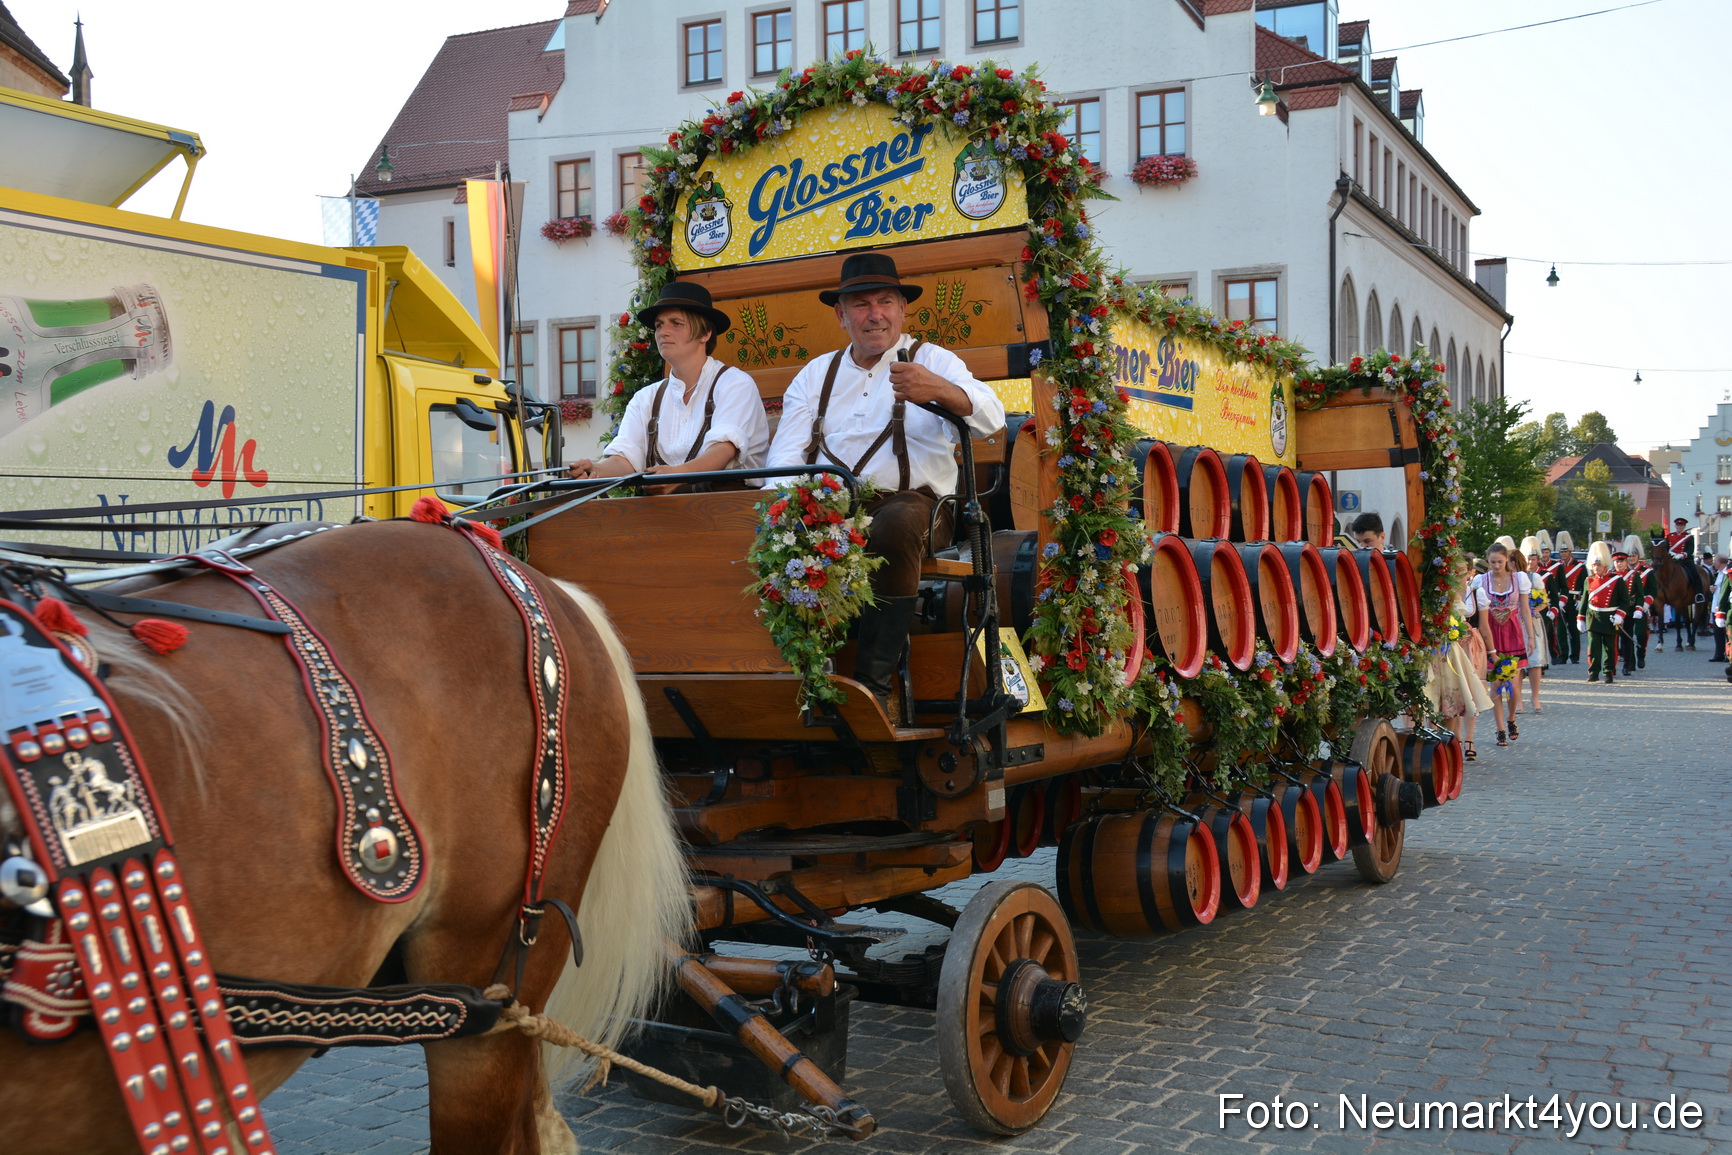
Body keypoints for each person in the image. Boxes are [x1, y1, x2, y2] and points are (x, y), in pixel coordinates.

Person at [765, 251, 1006, 713]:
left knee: (894, 524)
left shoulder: (932, 359)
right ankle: (801, 681)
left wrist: (939, 390)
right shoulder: (817, 374)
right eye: (861, 305)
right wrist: (778, 514)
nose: (875, 314)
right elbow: (785, 459)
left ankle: (873, 688)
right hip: (830, 509)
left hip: (919, 508)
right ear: (841, 316)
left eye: (885, 302)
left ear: (902, 309)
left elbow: (991, 418)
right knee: (775, 530)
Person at [566, 282, 769, 490]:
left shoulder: (735, 384)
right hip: (661, 508)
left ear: (705, 333)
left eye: (676, 323)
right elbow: (624, 459)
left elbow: (723, 450)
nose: (663, 332)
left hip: (729, 505)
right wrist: (595, 470)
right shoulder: (645, 398)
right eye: (659, 325)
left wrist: (677, 476)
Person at [1426, 571, 1492, 762]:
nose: (1457, 576)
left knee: (1454, 698)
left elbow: (1472, 625)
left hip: (1455, 651)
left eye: (1461, 572)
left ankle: (1456, 743)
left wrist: (1492, 651)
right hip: (1435, 650)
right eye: (1454, 572)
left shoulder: (1463, 595)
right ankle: (1435, 745)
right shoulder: (1432, 594)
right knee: (1434, 699)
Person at [1471, 541, 1529, 746]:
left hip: (1512, 634)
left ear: (1507, 561)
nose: (1496, 566)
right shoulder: (1480, 581)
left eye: (1500, 562)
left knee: (1512, 684)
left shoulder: (1518, 579)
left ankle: (1511, 718)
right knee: (1495, 684)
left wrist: (1531, 636)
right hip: (1491, 634)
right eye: (1492, 562)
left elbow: (1525, 608)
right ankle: (1500, 728)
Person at [1579, 540, 1630, 685]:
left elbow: (1625, 600)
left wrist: (1620, 614)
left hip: (1610, 617)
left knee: (1610, 648)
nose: (1596, 568)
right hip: (1593, 617)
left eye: (1599, 565)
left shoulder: (1616, 580)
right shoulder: (1589, 580)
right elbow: (1584, 600)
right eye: (1594, 565)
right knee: (1593, 647)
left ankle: (1608, 672)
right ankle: (1593, 672)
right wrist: (1580, 618)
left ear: (1606, 565)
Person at [1515, 538, 1548, 714]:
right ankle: (1518, 700)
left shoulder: (1533, 577)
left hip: (1532, 623)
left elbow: (1544, 600)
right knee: (1517, 664)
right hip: (1514, 623)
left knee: (1535, 663)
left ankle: (1535, 697)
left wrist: (1537, 607)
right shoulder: (1508, 579)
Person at [1556, 532, 1584, 664]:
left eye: (1565, 551)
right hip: (1561, 600)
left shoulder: (1580, 566)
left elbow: (1585, 585)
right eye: (1561, 552)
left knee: (1574, 629)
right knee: (1561, 630)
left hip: (1573, 599)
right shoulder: (1557, 566)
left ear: (1570, 552)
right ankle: (1563, 655)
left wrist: (1581, 599)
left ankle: (1575, 656)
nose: (1563, 554)